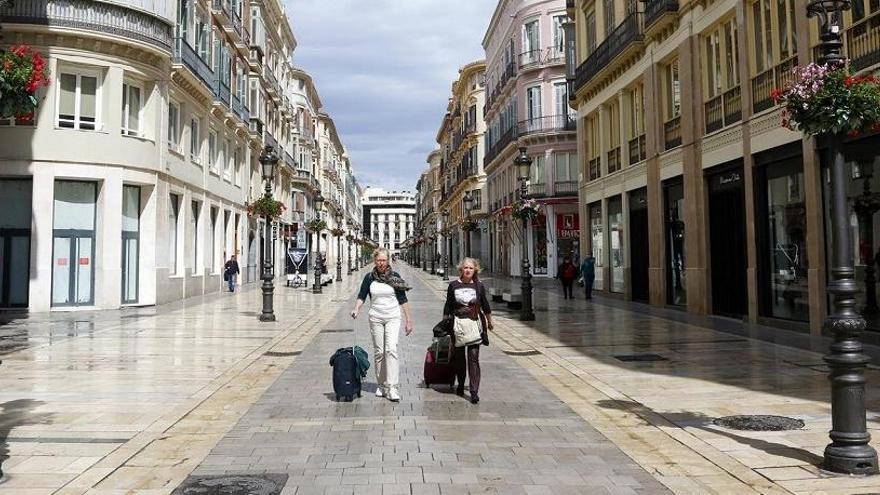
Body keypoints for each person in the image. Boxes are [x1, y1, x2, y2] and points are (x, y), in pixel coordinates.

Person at [350, 248, 413, 402]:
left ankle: (392, 387)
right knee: (379, 352)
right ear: (375, 260)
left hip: (393, 317)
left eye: (384, 260)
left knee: (391, 350)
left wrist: (408, 320)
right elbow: (362, 295)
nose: (381, 263)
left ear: (388, 260)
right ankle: (381, 384)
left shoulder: (395, 277)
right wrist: (356, 309)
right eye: (379, 260)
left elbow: (402, 299)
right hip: (375, 317)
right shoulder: (369, 278)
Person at [443, 257, 493, 404]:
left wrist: (490, 321)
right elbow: (448, 305)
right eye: (465, 268)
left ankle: (473, 391)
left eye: (470, 268)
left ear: (475, 270)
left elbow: (485, 304)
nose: (468, 270)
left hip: (474, 324)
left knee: (473, 358)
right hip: (457, 325)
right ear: (461, 269)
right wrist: (445, 322)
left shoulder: (479, 286)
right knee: (459, 358)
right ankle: (460, 384)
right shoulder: (453, 285)